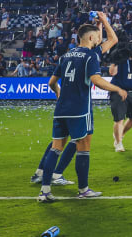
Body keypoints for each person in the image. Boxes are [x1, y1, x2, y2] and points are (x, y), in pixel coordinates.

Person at [35, 14, 126, 202]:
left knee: (56, 148)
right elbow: (96, 79)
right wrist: (116, 88)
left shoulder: (66, 56)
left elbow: (52, 82)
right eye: (96, 37)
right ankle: (83, 189)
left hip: (61, 109)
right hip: (80, 110)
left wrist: (59, 93)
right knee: (83, 148)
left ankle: (44, 191)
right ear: (91, 38)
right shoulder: (91, 56)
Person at [108, 39, 132, 152]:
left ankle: (120, 135)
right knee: (119, 119)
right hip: (118, 91)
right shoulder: (121, 58)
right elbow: (112, 72)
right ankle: (118, 143)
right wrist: (116, 60)